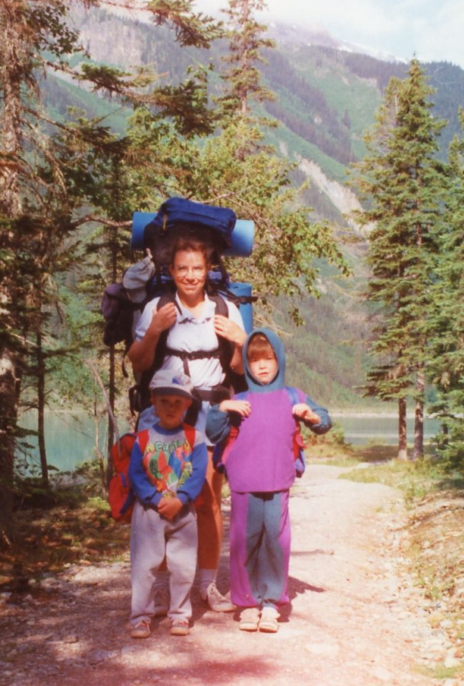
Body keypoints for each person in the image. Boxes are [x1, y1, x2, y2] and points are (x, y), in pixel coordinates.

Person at [127, 235, 246, 613]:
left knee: (208, 498)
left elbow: (239, 370)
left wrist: (241, 344)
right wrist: (154, 330)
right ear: (171, 271)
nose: (190, 276)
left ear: (208, 270)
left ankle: (206, 586)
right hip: (166, 412)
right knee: (159, 498)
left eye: (197, 268)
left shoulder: (226, 308)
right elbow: (139, 363)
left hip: (210, 413)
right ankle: (162, 588)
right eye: (182, 268)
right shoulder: (156, 307)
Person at [205, 329, 332, 633]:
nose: (262, 365)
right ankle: (248, 603)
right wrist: (222, 408)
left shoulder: (293, 396)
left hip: (278, 483)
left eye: (268, 359)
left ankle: (271, 602)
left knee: (276, 541)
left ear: (279, 360)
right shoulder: (240, 399)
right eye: (254, 360)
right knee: (244, 543)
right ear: (247, 365)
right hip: (244, 485)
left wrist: (312, 417)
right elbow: (213, 433)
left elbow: (324, 419)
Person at [127, 368, 208, 638]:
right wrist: (155, 498)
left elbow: (197, 474)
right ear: (153, 401)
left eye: (178, 402)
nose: (171, 407)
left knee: (183, 565)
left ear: (188, 404)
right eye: (165, 401)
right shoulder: (143, 439)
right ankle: (140, 616)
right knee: (144, 566)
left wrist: (182, 499)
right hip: (149, 513)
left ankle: (180, 614)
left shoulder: (195, 438)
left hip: (183, 513)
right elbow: (136, 476)